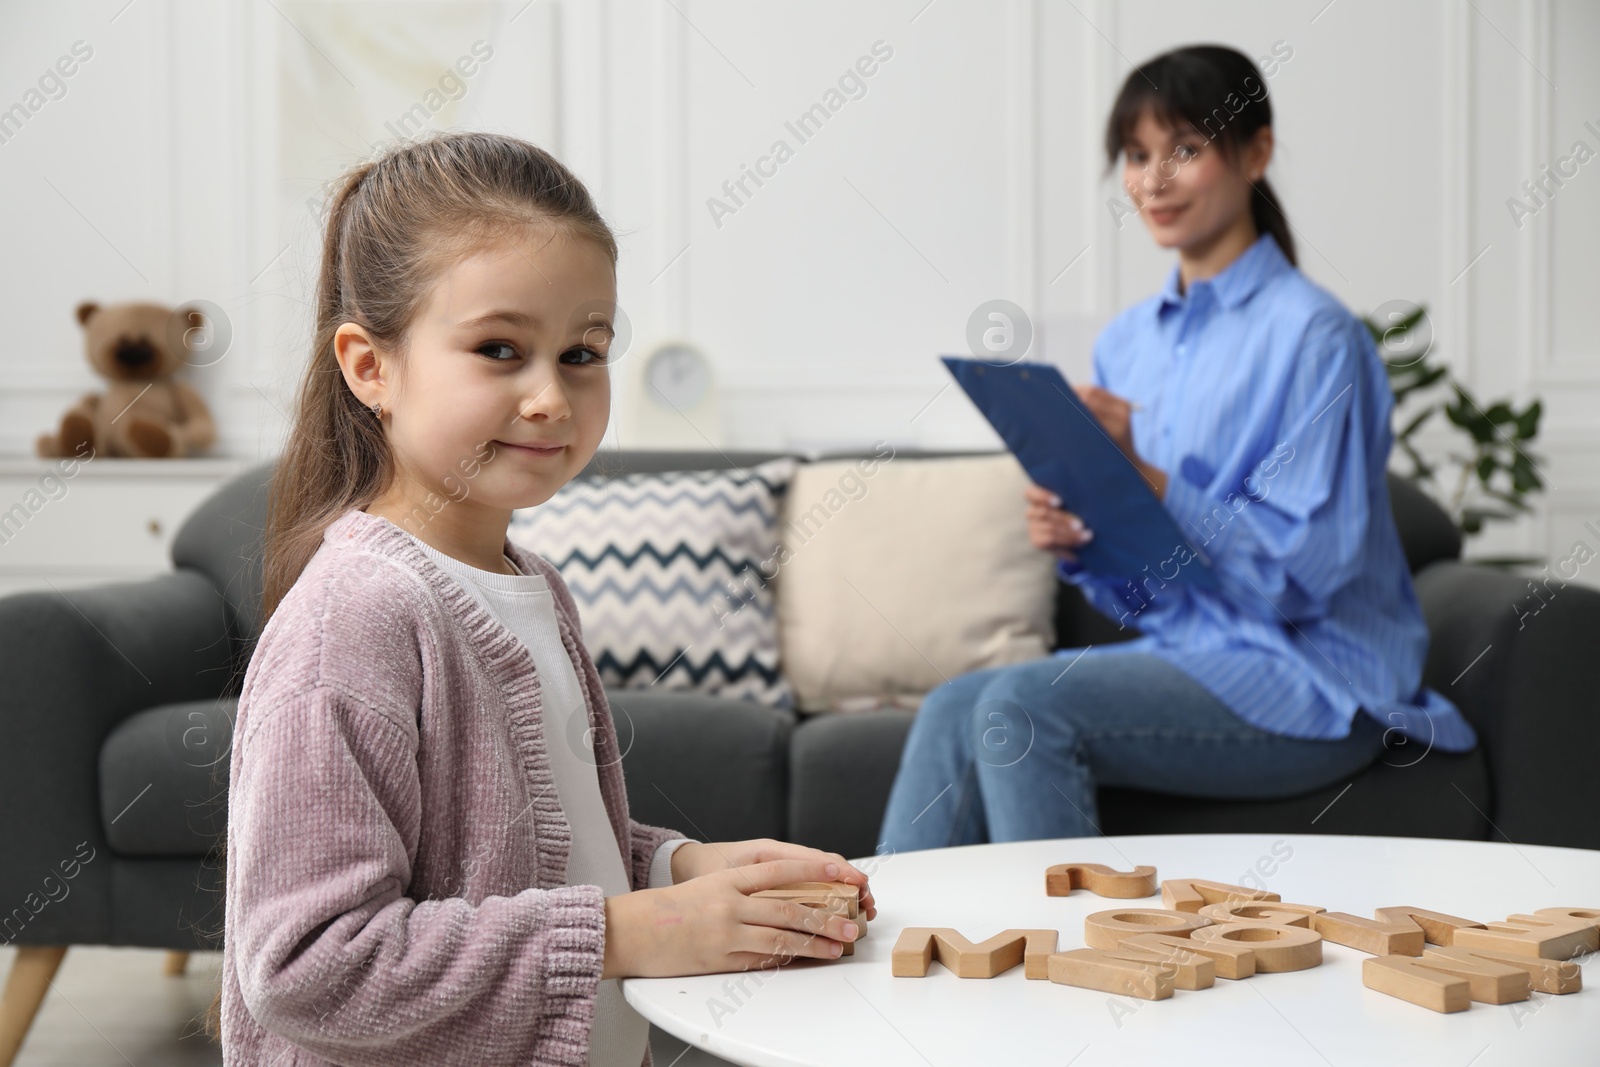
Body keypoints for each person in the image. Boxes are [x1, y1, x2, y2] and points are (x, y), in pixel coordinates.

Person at [215, 131, 874, 1067]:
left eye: (581, 351)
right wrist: (628, 932)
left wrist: (672, 867)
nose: (550, 397)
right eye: (499, 348)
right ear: (370, 368)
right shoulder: (355, 619)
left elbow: (517, 843)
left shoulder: (531, 585)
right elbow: (307, 964)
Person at [879, 44, 1476, 851]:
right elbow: (1154, 595)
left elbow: (1308, 577)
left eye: (1185, 149)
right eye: (1135, 155)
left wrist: (1148, 479)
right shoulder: (1129, 343)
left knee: (1019, 707)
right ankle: (895, 956)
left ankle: (1071, 967)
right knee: (956, 702)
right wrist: (1083, 536)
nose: (1152, 180)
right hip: (1194, 651)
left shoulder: (1315, 337)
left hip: (1321, 681)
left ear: (1256, 152)